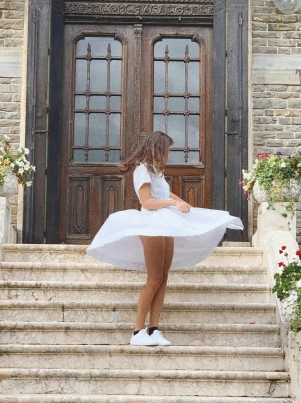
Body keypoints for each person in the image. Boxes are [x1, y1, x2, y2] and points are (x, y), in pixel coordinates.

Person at [87, 131, 243, 347]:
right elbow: (147, 202)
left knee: (163, 278)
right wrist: (173, 205)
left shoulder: (156, 172)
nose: (168, 155)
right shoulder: (142, 170)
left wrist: (182, 203)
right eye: (167, 150)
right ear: (158, 149)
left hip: (165, 222)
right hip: (151, 224)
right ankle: (137, 332)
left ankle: (154, 329)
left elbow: (166, 196)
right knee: (153, 279)